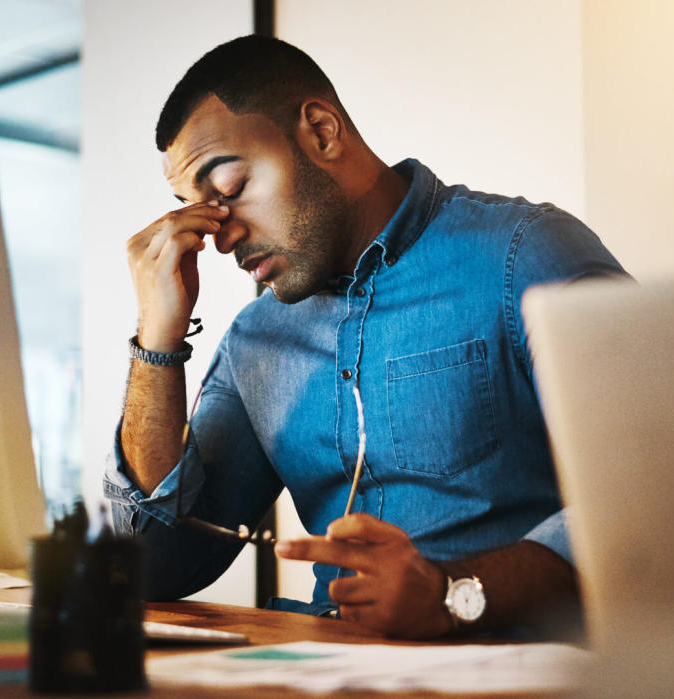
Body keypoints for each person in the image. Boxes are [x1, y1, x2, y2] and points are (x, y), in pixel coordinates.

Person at [103, 35, 626, 639]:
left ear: (321, 132)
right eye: (197, 210)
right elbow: (154, 567)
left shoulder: (524, 256)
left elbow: (658, 494)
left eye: (230, 189)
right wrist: (157, 338)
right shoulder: (257, 341)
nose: (220, 237)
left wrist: (451, 592)